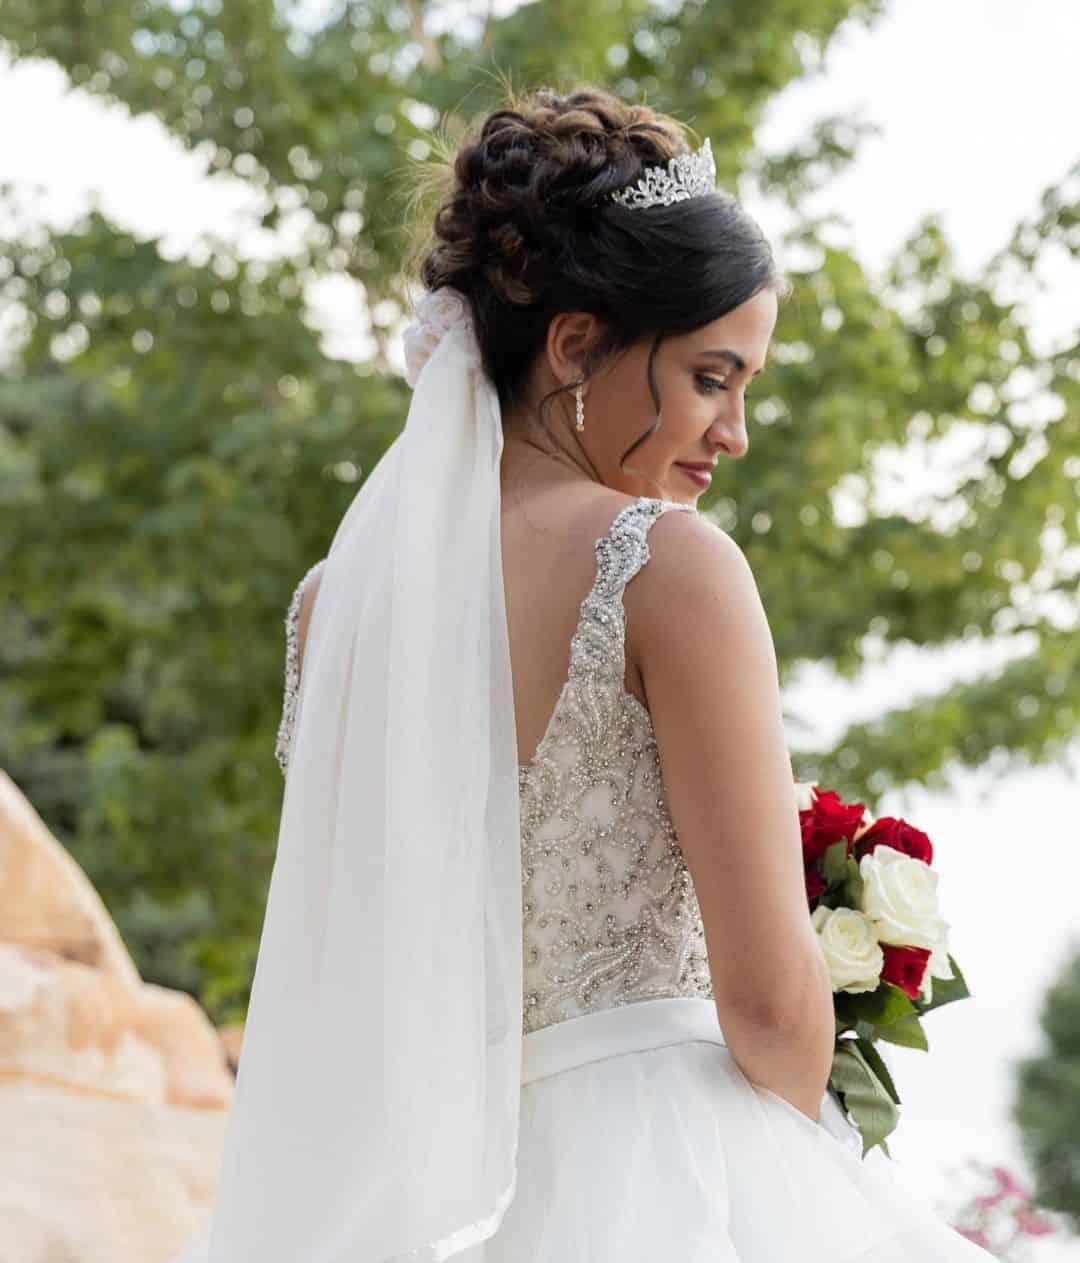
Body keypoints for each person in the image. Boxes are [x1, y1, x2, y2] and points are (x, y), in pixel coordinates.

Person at [177, 84, 992, 1262]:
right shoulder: (670, 566)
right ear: (574, 345)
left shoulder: (328, 608)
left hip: (425, 1197)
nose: (735, 432)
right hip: (670, 1169)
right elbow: (769, 1012)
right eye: (712, 377)